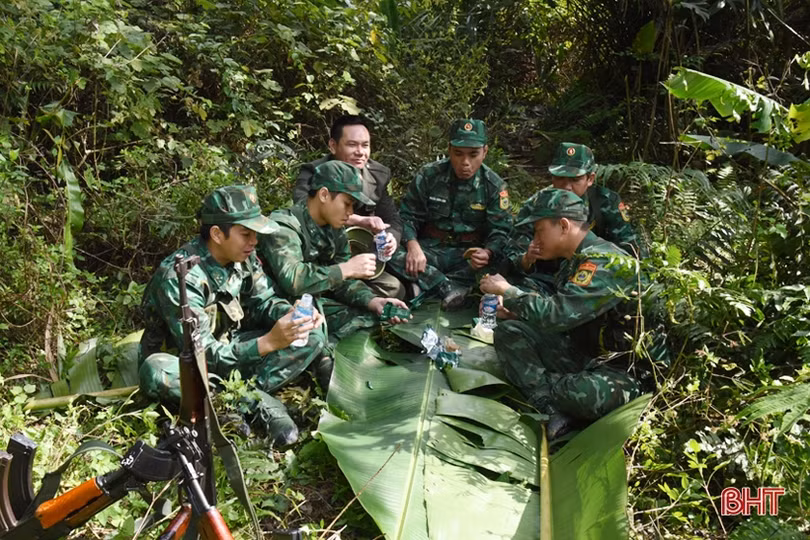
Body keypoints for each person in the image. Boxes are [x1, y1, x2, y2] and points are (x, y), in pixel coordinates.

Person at [138, 185, 328, 446]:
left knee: (314, 333)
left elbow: (265, 301)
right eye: (245, 234)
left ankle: (248, 395)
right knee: (154, 370)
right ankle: (244, 400)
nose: (254, 241)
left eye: (255, 234)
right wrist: (268, 343)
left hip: (232, 345)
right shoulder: (181, 277)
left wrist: (293, 316)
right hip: (189, 363)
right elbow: (200, 353)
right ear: (217, 234)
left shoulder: (243, 257)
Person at [480, 187, 643, 437]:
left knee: (578, 392)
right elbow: (565, 319)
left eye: (539, 231)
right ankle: (549, 404)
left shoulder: (605, 261)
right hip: (583, 352)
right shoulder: (574, 262)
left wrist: (509, 291)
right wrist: (514, 313)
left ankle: (548, 396)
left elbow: (557, 314)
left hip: (623, 370)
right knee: (510, 332)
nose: (535, 241)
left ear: (564, 226)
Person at [258, 161, 410, 344]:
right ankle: (321, 353)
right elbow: (293, 280)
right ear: (324, 194)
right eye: (347, 203)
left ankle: (326, 350)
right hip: (277, 306)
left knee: (371, 317)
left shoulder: (334, 228)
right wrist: (346, 269)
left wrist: (373, 301)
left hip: (314, 303)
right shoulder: (285, 226)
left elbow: (343, 283)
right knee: (316, 333)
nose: (350, 212)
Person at [386, 118, 512, 309]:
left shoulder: (494, 186)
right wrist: (413, 246)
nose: (465, 162)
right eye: (458, 154)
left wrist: (487, 252)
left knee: (502, 265)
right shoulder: (429, 175)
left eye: (473, 154)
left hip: (467, 258)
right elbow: (407, 216)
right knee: (386, 252)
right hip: (429, 252)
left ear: (485, 152)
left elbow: (501, 230)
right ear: (449, 150)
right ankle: (446, 286)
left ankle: (427, 283)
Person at [503, 142, 647, 294]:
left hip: (594, 278)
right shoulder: (537, 204)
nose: (567, 186)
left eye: (575, 180)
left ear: (590, 179)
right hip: (546, 278)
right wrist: (526, 259)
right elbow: (512, 254)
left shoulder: (605, 202)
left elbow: (629, 248)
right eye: (560, 178)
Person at [294, 115, 404, 299]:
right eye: (352, 145)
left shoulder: (378, 175)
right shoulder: (315, 171)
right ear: (333, 145)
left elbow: (392, 218)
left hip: (363, 251)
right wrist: (359, 220)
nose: (360, 152)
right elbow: (302, 206)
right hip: (325, 251)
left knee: (396, 288)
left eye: (365, 145)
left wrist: (391, 237)